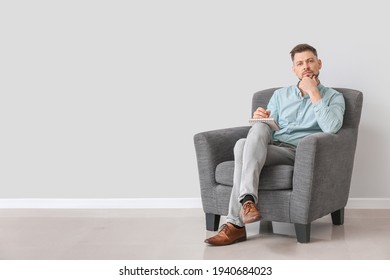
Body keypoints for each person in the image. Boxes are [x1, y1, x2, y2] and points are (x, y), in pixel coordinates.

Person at [204, 43, 346, 246]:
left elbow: (332, 128)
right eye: (300, 63)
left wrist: (314, 93)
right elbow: (268, 128)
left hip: (297, 152)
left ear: (319, 64)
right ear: (294, 69)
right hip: (273, 146)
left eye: (310, 61)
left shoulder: (334, 97)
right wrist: (259, 119)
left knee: (241, 147)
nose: (305, 66)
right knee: (246, 140)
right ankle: (247, 203)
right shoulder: (280, 95)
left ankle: (235, 224)